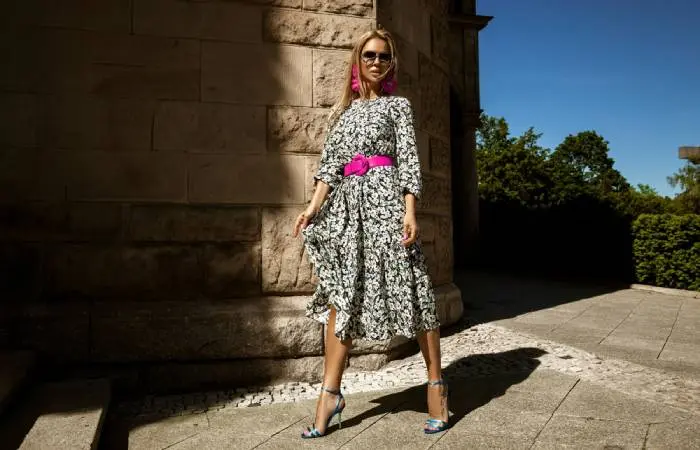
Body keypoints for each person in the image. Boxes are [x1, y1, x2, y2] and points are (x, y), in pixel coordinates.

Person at [291, 28, 448, 438]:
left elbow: (409, 160)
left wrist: (410, 211)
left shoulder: (398, 106)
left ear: (391, 63)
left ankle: (436, 385)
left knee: (413, 287)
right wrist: (310, 210)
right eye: (370, 55)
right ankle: (330, 394)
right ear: (357, 61)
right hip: (347, 209)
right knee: (340, 297)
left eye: (384, 56)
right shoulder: (340, 113)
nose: (377, 62)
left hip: (386, 202)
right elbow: (329, 167)